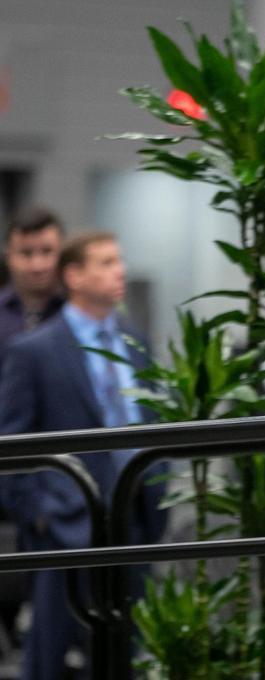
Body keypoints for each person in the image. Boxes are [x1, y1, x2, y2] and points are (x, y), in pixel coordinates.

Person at [0, 231, 165, 680]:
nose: (120, 271)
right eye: (107, 262)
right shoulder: (33, 351)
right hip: (64, 525)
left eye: (120, 260)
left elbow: (154, 421)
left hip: (133, 519)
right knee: (49, 655)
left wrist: (158, 490)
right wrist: (39, 515)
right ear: (73, 275)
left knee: (125, 652)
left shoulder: (135, 340)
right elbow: (12, 444)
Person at [0, 207, 65, 356]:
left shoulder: (79, 314)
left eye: (47, 251)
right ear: (8, 256)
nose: (37, 265)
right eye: (26, 253)